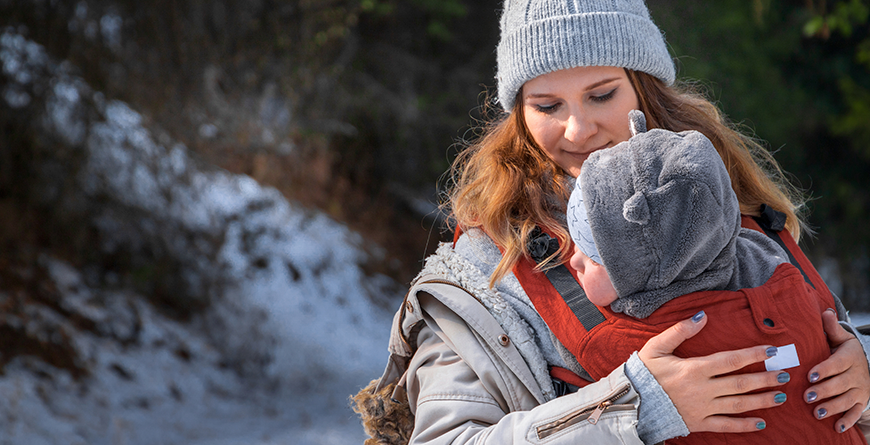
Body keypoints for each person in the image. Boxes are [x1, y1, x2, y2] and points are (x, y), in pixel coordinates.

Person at [353, 0, 870, 444]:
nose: (578, 129)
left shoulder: (735, 204)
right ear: (518, 113)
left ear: (645, 91)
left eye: (602, 95)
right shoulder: (488, 270)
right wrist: (635, 408)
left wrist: (861, 370)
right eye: (547, 105)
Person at [562, 109, 864, 443]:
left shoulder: (615, 342)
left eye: (592, 258)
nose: (572, 261)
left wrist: (860, 362)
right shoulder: (771, 264)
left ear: (644, 263)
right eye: (547, 105)